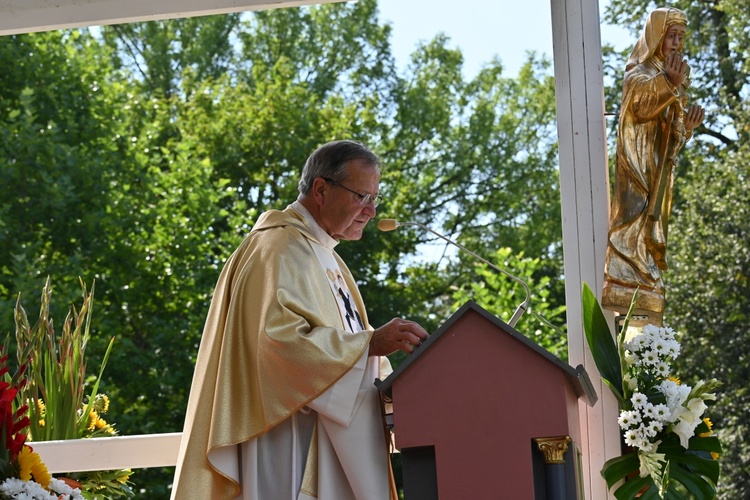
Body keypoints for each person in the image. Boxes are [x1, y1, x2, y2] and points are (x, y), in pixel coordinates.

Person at [171, 140, 429, 499]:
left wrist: (395, 381)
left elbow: (352, 345)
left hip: (331, 439)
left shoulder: (327, 257)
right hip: (287, 439)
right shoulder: (276, 247)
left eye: (374, 200)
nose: (370, 211)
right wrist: (370, 344)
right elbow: (276, 344)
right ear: (321, 189)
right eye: (361, 197)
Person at [602, 7, 704, 325]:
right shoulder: (638, 75)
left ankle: (644, 279)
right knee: (631, 225)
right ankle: (626, 278)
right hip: (636, 168)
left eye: (680, 37)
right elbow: (641, 108)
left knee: (650, 231)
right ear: (656, 36)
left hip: (656, 172)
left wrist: (684, 130)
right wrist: (668, 84)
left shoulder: (673, 80)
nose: (676, 43)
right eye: (671, 35)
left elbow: (671, 140)